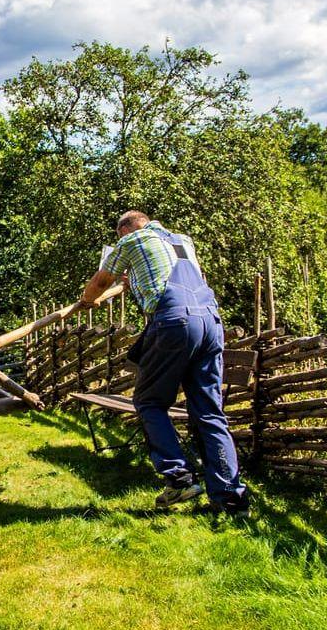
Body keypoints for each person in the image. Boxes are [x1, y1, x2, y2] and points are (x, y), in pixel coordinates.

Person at [77, 210, 249, 516]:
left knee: (149, 402)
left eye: (120, 234)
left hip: (175, 322)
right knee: (209, 412)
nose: (121, 239)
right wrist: (137, 281)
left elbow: (102, 280)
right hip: (210, 323)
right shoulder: (183, 242)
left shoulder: (133, 239)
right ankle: (230, 497)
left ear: (127, 227)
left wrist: (89, 300)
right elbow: (174, 276)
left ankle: (179, 477)